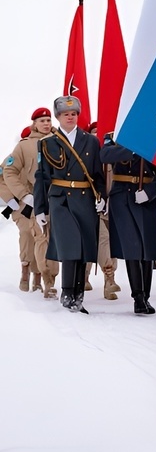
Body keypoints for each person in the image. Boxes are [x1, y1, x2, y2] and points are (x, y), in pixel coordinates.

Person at [34, 96, 105, 313]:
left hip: (85, 198)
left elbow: (97, 174)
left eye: (74, 114)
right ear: (58, 117)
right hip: (60, 199)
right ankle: (67, 292)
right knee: (69, 245)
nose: (70, 117)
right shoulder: (47, 143)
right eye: (66, 114)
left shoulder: (91, 141)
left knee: (84, 246)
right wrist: (40, 208)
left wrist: (102, 198)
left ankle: (78, 295)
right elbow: (42, 177)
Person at [100, 134, 156, 314]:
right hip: (121, 196)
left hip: (145, 196)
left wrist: (149, 192)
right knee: (132, 246)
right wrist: (133, 147)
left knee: (148, 247)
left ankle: (146, 295)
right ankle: (137, 297)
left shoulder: (151, 136)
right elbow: (106, 155)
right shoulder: (113, 136)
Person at [6, 108, 61, 299]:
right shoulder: (24, 146)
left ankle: (45, 276)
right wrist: (18, 197)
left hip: (61, 197)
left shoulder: (60, 140)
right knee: (38, 238)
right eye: (42, 120)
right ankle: (43, 279)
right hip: (31, 202)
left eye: (48, 120)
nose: (46, 123)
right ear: (34, 124)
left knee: (56, 239)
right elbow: (7, 174)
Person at [84, 121, 121, 301]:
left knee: (109, 240)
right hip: (93, 203)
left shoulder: (113, 153)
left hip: (114, 203)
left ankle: (108, 278)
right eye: (93, 132)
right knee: (100, 238)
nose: (96, 135)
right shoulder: (87, 154)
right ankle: (100, 276)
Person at [1, 137, 42, 294]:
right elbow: (1, 178)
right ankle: (25, 272)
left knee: (40, 237)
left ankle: (38, 277)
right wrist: (9, 198)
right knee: (26, 234)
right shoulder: (11, 159)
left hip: (39, 201)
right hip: (20, 203)